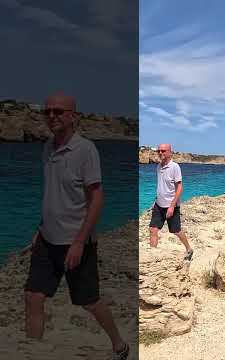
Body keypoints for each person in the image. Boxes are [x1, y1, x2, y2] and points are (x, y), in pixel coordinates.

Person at [24, 93, 130, 359]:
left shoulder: (85, 150)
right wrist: (40, 227)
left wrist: (80, 242)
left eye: (58, 112)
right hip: (47, 239)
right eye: (47, 111)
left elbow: (96, 198)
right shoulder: (48, 148)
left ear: (73, 117)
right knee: (33, 296)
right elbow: (54, 194)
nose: (51, 116)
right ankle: (32, 350)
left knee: (89, 301)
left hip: (76, 243)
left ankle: (119, 344)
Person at [149, 144, 193, 261]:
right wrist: (155, 201)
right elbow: (161, 186)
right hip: (159, 205)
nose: (160, 153)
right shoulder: (158, 166)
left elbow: (179, 188)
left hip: (171, 206)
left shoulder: (175, 167)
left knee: (176, 230)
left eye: (163, 151)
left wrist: (172, 206)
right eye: (159, 151)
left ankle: (189, 249)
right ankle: (152, 256)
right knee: (153, 229)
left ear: (169, 152)